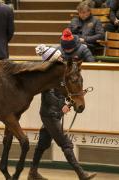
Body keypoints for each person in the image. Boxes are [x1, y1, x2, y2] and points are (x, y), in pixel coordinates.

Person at [27, 30, 97, 180]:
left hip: (52, 113)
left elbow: (63, 93)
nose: (61, 57)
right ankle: (81, 174)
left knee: (42, 144)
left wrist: (72, 100)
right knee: (66, 144)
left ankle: (32, 172)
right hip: (49, 114)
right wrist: (62, 107)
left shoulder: (59, 73)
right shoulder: (47, 76)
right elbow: (49, 95)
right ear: (53, 60)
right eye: (58, 57)